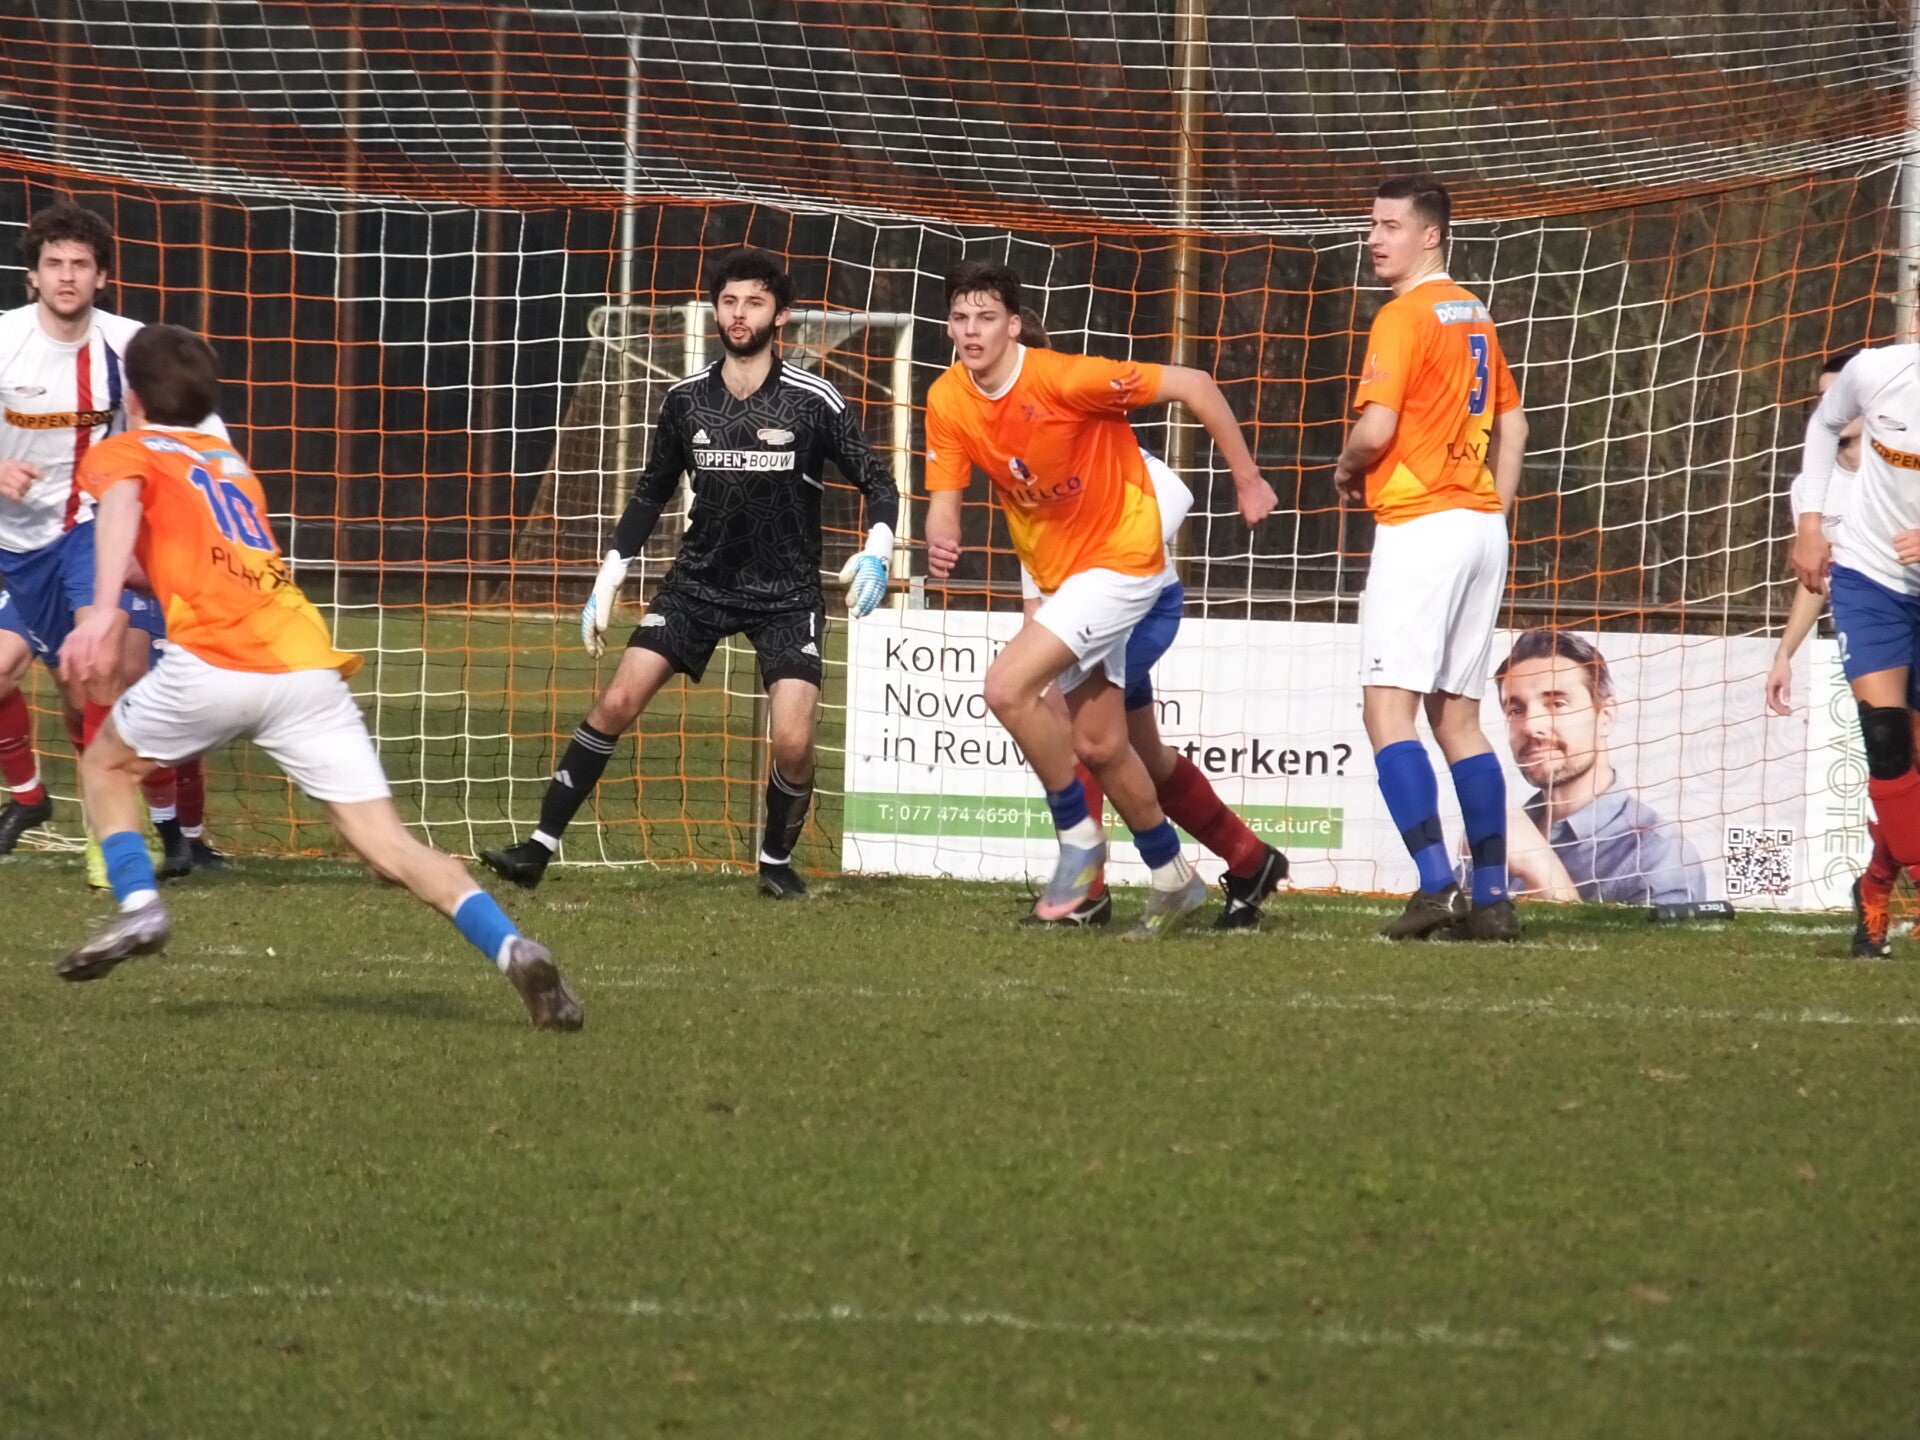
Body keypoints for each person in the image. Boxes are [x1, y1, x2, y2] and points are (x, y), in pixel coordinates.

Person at [54, 325, 581, 1028]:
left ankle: (140, 905)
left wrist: (101, 613)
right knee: (389, 847)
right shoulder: (229, 464)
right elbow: (193, 563)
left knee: (106, 766)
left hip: (217, 662)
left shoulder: (128, 449)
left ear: (134, 396)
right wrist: (134, 577)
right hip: (305, 664)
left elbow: (121, 500)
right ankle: (513, 948)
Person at [481, 247, 899, 899]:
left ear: (780, 315)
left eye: (754, 301)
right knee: (616, 701)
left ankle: (775, 863)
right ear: (716, 311)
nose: (740, 313)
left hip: (787, 595)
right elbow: (651, 492)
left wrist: (878, 547)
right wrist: (610, 575)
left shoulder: (812, 400)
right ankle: (536, 848)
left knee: (793, 742)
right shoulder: (685, 400)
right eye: (729, 301)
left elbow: (879, 481)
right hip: (697, 584)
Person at [923, 260, 1277, 938]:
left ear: (1014, 326)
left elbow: (1196, 384)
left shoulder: (1067, 379)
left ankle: (1081, 850)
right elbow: (945, 499)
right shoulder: (948, 398)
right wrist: (940, 535)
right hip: (1066, 582)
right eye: (960, 318)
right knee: (1101, 742)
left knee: (1006, 688)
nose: (971, 331)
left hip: (1125, 567)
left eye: (986, 317)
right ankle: (1177, 873)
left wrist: (1247, 478)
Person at [1011, 309, 1286, 930]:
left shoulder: (1076, 417)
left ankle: (1087, 892)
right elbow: (1037, 577)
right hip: (1090, 609)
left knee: (1079, 731)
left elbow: (1171, 492)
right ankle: (1249, 860)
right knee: (1139, 753)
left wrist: (1106, 571)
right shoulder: (1008, 446)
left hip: (1140, 605)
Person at [0, 201, 224, 875]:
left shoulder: (131, 347)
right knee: (39, 686)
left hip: (84, 531)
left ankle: (119, 834)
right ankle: (32, 798)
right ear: (33, 276)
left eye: (81, 264)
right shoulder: (5, 339)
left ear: (102, 277)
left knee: (101, 672)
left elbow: (197, 427)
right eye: (54, 264)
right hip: (9, 542)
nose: (66, 276)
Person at [1333, 175, 1528, 942]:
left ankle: (1436, 885)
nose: (1374, 238)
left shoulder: (1402, 315)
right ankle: (1493, 899)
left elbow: (1377, 428)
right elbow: (1514, 428)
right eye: (1373, 224)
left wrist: (1347, 465)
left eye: (1390, 225)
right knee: (1459, 718)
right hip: (1480, 525)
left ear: (1431, 235)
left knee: (1387, 710)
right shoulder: (1474, 312)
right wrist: (1491, 516)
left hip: (1423, 527)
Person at [1791, 336, 1920, 959]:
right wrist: (1810, 524)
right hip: (1871, 579)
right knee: (1886, 740)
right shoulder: (1876, 370)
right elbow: (1823, 427)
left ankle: (1874, 883)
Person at [1767, 349, 1900, 956]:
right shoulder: (1813, 487)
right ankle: (1880, 897)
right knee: (1891, 753)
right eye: (1825, 397)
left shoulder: (1899, 455)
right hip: (1872, 617)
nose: (1835, 405)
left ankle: (1875, 881)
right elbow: (1813, 581)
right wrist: (1785, 653)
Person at [1495, 628, 1706, 906]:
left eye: (1556, 704)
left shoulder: (1658, 854)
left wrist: (1541, 868)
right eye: (1516, 710)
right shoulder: (1499, 831)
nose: (1531, 726)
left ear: (1605, 716)